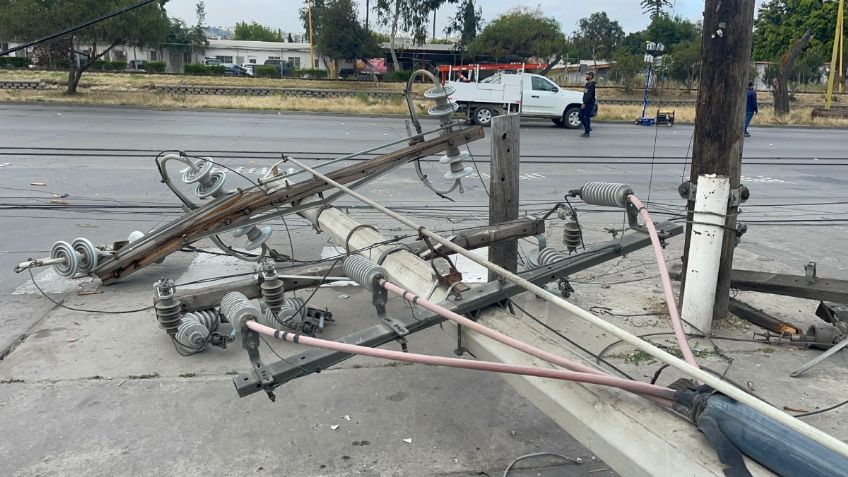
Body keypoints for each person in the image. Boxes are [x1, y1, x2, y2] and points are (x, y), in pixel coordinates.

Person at [580, 71, 596, 138]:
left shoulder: (591, 85)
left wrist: (584, 103)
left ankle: (587, 132)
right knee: (580, 115)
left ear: (590, 76)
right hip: (586, 102)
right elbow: (586, 94)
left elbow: (589, 95)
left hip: (589, 103)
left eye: (587, 75)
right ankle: (588, 128)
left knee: (586, 117)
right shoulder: (587, 84)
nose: (586, 76)